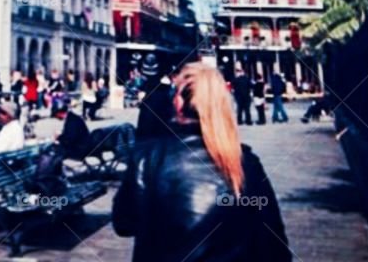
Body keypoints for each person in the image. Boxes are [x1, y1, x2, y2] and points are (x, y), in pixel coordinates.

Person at [113, 64, 291, 262]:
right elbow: (275, 244)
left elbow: (124, 223)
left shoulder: (148, 158)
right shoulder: (246, 163)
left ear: (178, 103)